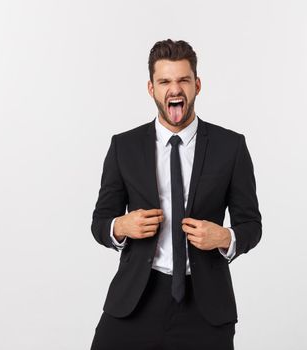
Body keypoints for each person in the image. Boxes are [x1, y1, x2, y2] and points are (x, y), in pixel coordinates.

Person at [90, 39, 262, 350]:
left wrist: (224, 237)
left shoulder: (231, 147)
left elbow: (251, 225)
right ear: (151, 88)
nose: (175, 89)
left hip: (206, 305)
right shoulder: (123, 147)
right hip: (136, 299)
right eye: (165, 81)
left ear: (197, 85)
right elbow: (99, 222)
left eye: (183, 80)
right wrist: (120, 227)